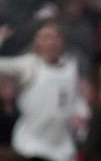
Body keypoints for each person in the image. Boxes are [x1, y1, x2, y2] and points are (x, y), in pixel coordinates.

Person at [0, 20, 89, 161]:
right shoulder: (28, 65)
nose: (52, 43)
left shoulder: (71, 66)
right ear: (36, 41)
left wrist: (81, 114)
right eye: (46, 37)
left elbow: (77, 99)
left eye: (55, 37)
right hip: (31, 146)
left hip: (62, 147)